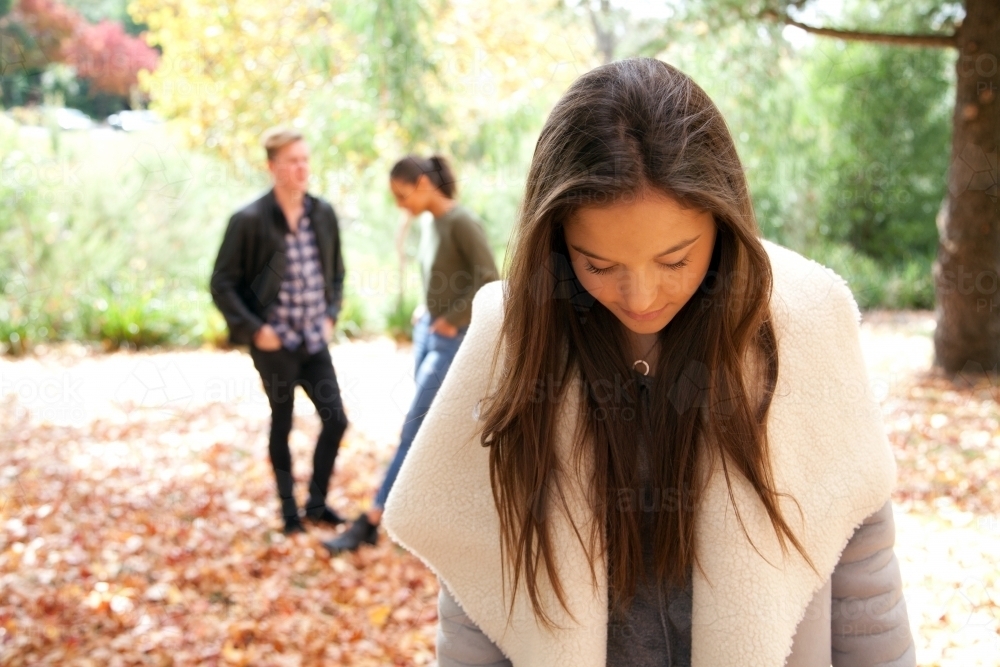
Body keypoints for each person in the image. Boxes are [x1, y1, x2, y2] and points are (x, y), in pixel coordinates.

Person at [382, 59, 915, 666]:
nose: (640, 298)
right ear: (553, 241)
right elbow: (477, 606)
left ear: (723, 220)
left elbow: (865, 590)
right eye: (599, 265)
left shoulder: (805, 325)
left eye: (675, 260)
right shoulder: (512, 342)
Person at [323, 154, 499, 553]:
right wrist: (428, 308)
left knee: (415, 429)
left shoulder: (461, 222)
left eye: (402, 195)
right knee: (432, 431)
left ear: (422, 183)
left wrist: (453, 318)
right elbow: (444, 276)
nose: (400, 205)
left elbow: (490, 279)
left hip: (453, 340)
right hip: (429, 333)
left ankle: (371, 520)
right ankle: (422, 517)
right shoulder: (430, 223)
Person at [210, 128, 350, 536]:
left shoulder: (322, 214)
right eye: (292, 161)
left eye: (305, 159)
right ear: (272, 167)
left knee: (336, 419)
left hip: (313, 339)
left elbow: (336, 273)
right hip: (275, 345)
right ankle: (290, 512)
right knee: (283, 421)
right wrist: (255, 331)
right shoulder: (249, 220)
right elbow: (221, 283)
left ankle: (318, 504)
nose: (301, 168)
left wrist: (331, 316)